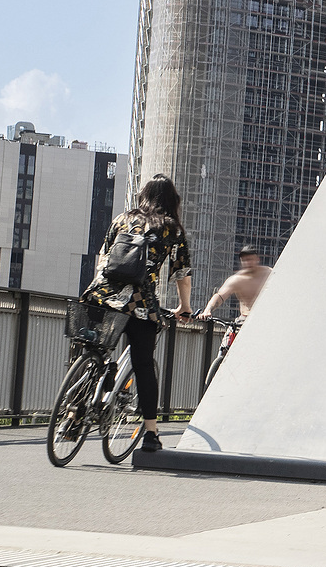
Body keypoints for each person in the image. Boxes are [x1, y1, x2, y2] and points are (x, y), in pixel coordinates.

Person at [80, 174, 193, 454]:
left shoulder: (122, 219)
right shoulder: (172, 229)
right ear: (172, 201)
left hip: (101, 295)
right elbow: (182, 273)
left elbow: (103, 256)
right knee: (143, 365)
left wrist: (100, 291)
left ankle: (74, 412)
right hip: (138, 303)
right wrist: (184, 307)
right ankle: (151, 435)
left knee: (90, 348)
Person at [202, 244, 272, 322]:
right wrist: (208, 310)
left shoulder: (270, 274)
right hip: (244, 319)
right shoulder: (236, 280)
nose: (248, 263)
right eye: (244, 260)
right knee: (230, 334)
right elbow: (220, 296)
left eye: (250, 259)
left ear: (257, 259)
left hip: (267, 318)